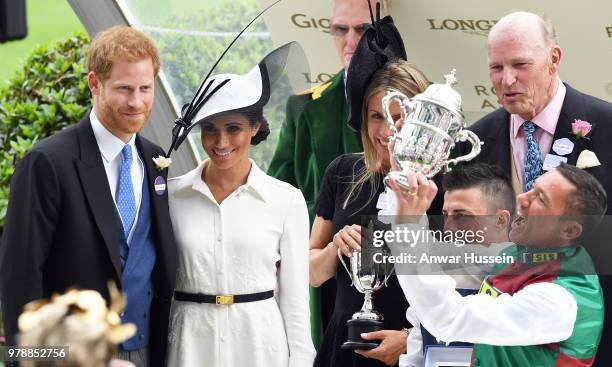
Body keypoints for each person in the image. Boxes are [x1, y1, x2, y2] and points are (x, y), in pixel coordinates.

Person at [0, 26, 178, 367]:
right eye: (124, 89)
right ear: (94, 84)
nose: (137, 102)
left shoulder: (155, 161)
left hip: (144, 352)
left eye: (145, 88)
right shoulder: (47, 163)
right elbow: (19, 276)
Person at [466, 12, 612, 365]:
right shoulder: (474, 141)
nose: (507, 79)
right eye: (496, 68)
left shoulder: (607, 128)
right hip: (501, 348)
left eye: (520, 64)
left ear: (554, 59)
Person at [165, 45, 316, 367]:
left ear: (255, 127)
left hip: (260, 347)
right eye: (210, 129)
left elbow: (295, 296)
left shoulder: (285, 200)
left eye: (232, 128)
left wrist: (302, 358)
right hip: (190, 346)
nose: (220, 143)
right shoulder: (171, 196)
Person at [387, 163, 606, 366]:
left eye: (541, 199)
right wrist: (402, 172)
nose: (521, 199)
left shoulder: (559, 301)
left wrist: (408, 224)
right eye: (531, 188)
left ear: (568, 231)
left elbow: (448, 318)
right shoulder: (518, 254)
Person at [268, 0, 394, 345]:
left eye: (363, 30)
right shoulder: (305, 108)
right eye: (341, 30)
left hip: (403, 291)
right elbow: (275, 199)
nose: (351, 42)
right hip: (326, 285)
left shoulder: (425, 111)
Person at [309, 59, 430, 367]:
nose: (386, 130)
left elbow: (470, 287)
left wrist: (409, 339)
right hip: (343, 347)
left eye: (398, 117)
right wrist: (337, 246)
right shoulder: (342, 172)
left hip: (411, 353)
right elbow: (312, 273)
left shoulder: (443, 186)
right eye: (376, 116)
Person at [391, 163, 515, 367]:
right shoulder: (437, 272)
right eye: (446, 215)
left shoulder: (526, 273)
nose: (449, 227)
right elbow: (417, 354)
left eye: (462, 216)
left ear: (500, 220)